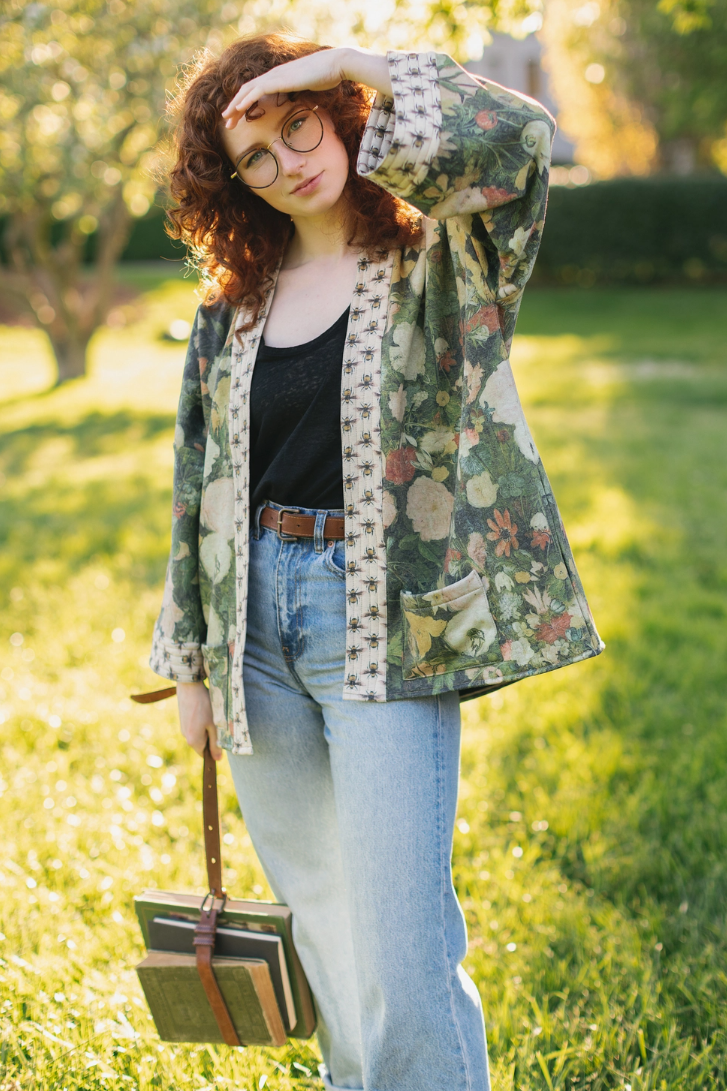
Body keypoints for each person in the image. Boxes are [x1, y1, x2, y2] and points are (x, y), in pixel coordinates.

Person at [149, 32, 603, 1091]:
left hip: (391, 618)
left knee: (401, 942)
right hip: (255, 620)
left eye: (297, 122)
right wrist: (192, 661)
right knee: (326, 924)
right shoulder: (230, 309)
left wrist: (357, 58)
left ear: (337, 108)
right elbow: (196, 486)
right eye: (253, 156)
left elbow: (522, 140)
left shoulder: (446, 253)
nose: (286, 162)